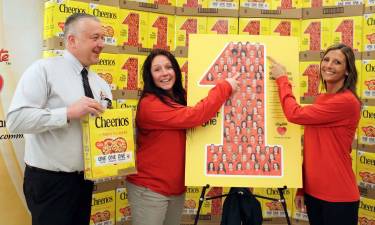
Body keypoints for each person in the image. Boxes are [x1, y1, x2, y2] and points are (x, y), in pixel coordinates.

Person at [6, 13, 111, 225]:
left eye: (103, 38)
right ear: (72, 40)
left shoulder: (100, 84)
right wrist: (67, 113)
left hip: (84, 182)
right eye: (95, 37)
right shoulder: (43, 70)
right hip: (50, 182)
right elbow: (16, 120)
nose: (101, 44)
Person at [125, 49, 239, 225]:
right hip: (150, 188)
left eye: (168, 67)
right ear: (149, 76)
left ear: (176, 71)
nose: (164, 73)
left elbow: (204, 107)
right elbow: (194, 116)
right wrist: (225, 87)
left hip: (176, 188)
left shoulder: (181, 97)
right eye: (157, 69)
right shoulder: (150, 105)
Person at [268, 43, 360, 225]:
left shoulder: (347, 102)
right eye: (326, 59)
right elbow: (312, 149)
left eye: (337, 62)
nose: (328, 65)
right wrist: (302, 188)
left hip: (339, 198)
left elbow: (294, 114)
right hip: (314, 194)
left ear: (348, 71)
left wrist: (282, 79)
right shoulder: (322, 99)